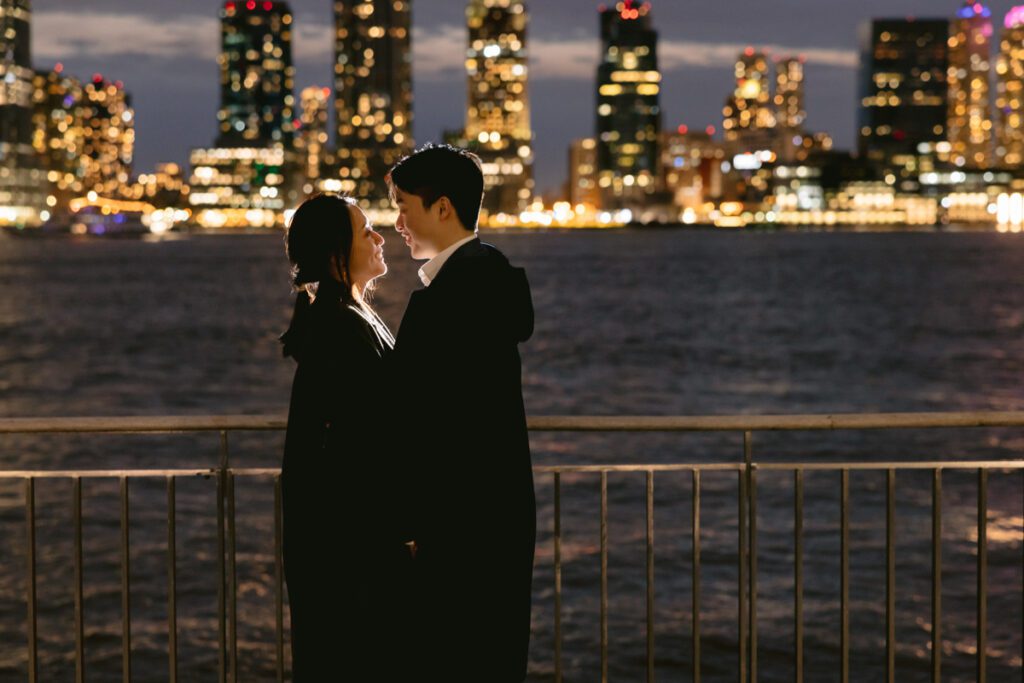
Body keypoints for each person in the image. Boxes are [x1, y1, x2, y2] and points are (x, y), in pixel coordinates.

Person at [387, 144, 536, 682]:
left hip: (456, 528)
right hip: (499, 518)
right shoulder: (491, 280)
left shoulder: (446, 300)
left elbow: (423, 419)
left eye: (405, 205)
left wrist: (406, 522)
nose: (397, 221)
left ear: (442, 208)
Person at [279, 193, 405, 679]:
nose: (379, 238)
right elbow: (361, 446)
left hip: (341, 545)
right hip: (349, 553)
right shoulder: (340, 328)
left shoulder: (343, 316)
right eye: (365, 230)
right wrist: (404, 528)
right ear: (336, 253)